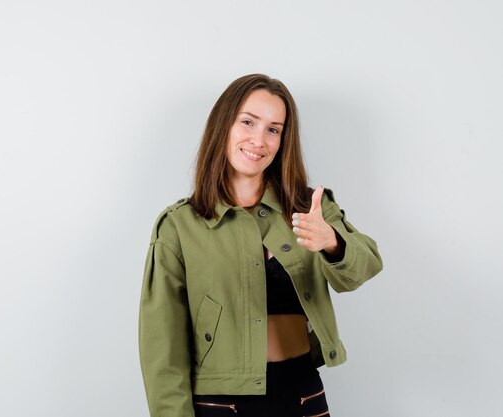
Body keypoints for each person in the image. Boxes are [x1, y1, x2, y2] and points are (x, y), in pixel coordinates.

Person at [138, 73, 383, 417]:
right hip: (221, 403)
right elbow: (161, 351)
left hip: (303, 394)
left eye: (273, 129)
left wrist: (331, 241)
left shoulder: (309, 208)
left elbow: (365, 267)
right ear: (223, 126)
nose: (259, 139)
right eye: (248, 122)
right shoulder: (179, 226)